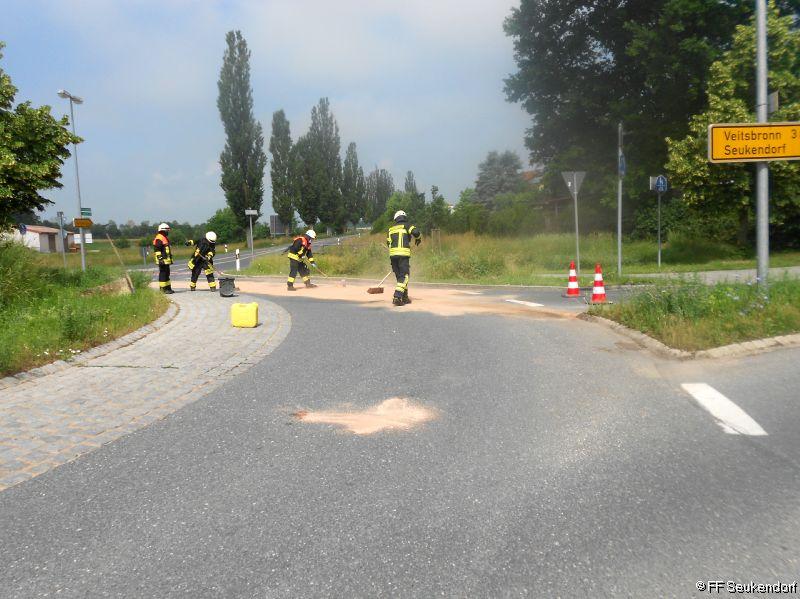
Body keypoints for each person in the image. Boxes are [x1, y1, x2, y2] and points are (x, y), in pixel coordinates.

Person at [387, 210, 421, 306]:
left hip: (393, 256)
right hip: (403, 255)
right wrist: (418, 238)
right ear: (404, 217)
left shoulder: (390, 229)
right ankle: (397, 297)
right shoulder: (407, 225)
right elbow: (416, 232)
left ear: (396, 219)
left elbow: (388, 243)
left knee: (400, 277)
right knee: (405, 276)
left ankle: (404, 297)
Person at [152, 223, 174, 294]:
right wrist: (160, 259)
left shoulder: (164, 237)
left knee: (167, 273)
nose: (168, 232)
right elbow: (157, 249)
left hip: (166, 260)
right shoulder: (159, 238)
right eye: (167, 230)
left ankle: (168, 288)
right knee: (163, 274)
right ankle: (163, 289)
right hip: (162, 260)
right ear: (163, 230)